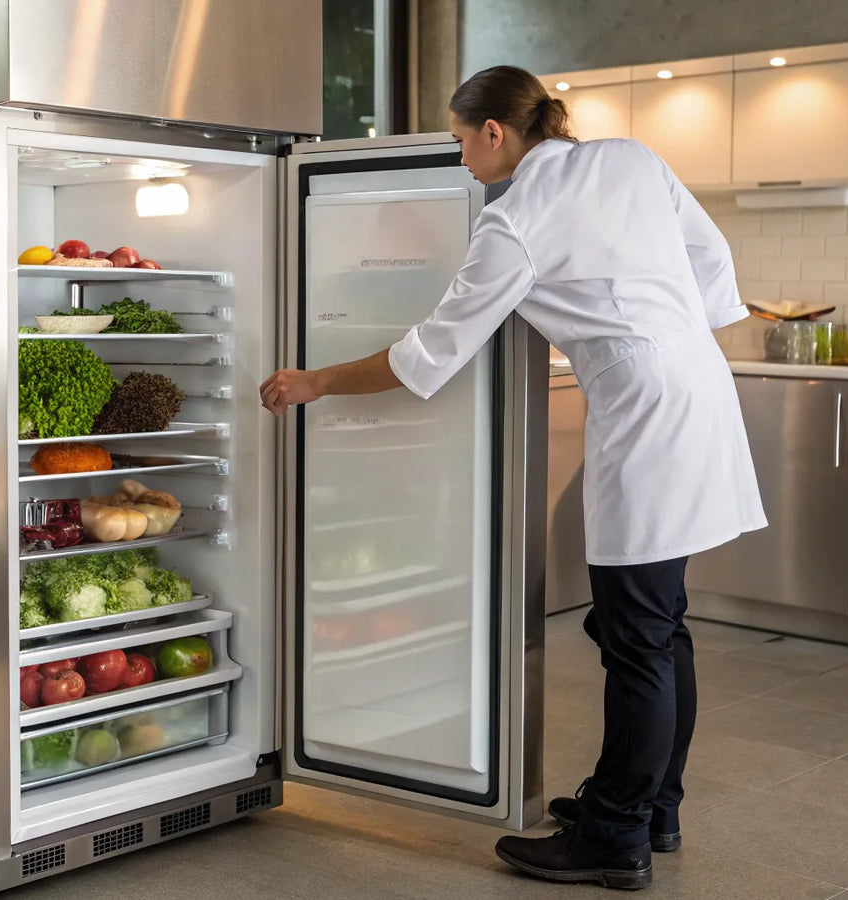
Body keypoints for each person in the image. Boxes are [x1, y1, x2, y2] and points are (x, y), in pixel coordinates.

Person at [260, 65, 765, 890]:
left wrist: (314, 381)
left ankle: (615, 839)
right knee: (661, 622)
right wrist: (657, 327)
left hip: (643, 407)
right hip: (695, 381)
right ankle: (648, 806)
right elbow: (713, 256)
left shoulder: (516, 220)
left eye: (461, 140)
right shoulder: (630, 158)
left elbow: (431, 351)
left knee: (637, 635)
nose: (459, 158)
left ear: (495, 131)